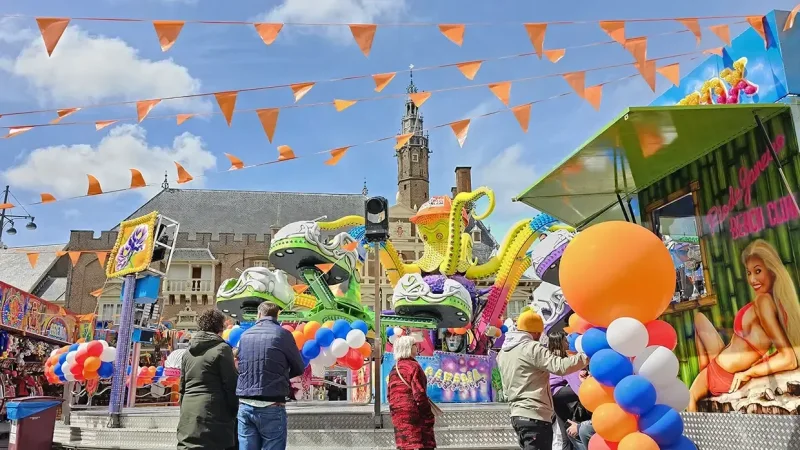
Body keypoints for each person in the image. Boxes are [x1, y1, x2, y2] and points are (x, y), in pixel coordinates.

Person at [689, 239, 800, 411]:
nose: (752, 279)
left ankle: (695, 437)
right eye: (749, 273)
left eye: (758, 271)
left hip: (724, 374)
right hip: (721, 366)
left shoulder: (764, 302)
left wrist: (748, 373)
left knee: (690, 400)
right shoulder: (774, 302)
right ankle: (705, 370)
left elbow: (788, 358)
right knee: (699, 319)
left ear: (772, 271)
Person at [497, 309, 588, 450]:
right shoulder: (531, 348)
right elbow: (560, 366)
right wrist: (585, 356)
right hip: (535, 415)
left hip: (517, 415)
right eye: (539, 333)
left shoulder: (504, 352)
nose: (540, 337)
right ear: (534, 332)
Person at [236, 301, 305, 450]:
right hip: (272, 404)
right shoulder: (283, 334)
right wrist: (282, 375)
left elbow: (239, 365)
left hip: (245, 403)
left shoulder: (245, 335)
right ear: (277, 316)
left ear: (259, 314)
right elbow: (299, 366)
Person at [177, 309, 239, 450]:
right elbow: (231, 385)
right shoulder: (222, 349)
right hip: (213, 414)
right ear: (220, 328)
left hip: (188, 413)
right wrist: (233, 412)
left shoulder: (188, 352)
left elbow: (182, 387)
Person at [387, 335, 437, 450]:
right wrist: (428, 414)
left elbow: (390, 395)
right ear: (408, 348)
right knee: (419, 443)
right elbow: (419, 394)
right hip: (413, 413)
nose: (417, 347)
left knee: (405, 444)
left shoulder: (395, 369)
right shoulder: (414, 367)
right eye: (415, 345)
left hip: (397, 413)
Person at [547, 331, 589, 450]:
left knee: (566, 431)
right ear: (559, 343)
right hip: (558, 392)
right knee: (568, 430)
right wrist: (584, 392)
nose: (568, 342)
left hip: (553, 396)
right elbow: (573, 379)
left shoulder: (548, 356)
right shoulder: (562, 358)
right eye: (565, 341)